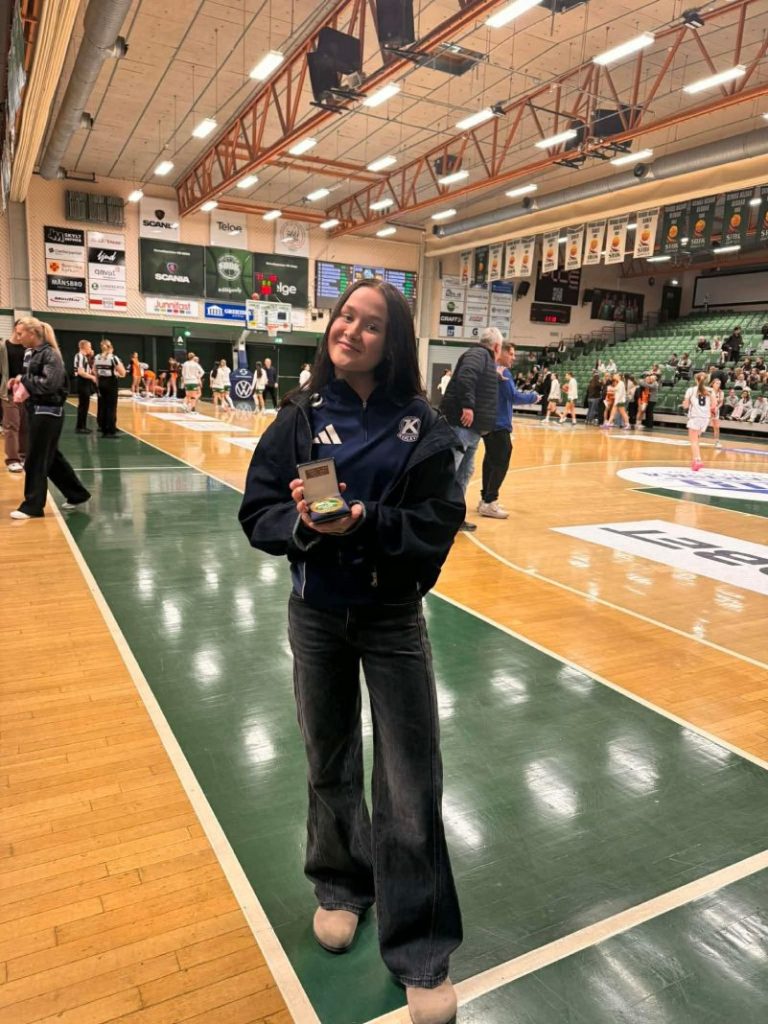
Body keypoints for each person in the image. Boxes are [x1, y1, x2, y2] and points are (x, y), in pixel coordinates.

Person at [238, 280, 464, 1024]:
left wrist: (368, 523)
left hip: (392, 619)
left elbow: (437, 524)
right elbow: (259, 510)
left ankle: (421, 948)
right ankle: (341, 886)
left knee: (410, 780)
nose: (351, 330)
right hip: (316, 616)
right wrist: (303, 527)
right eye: (345, 317)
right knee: (328, 758)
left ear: (392, 342)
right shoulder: (300, 416)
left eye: (370, 324)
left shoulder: (424, 428)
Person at [8, 318, 90, 519]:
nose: (18, 337)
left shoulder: (50, 354)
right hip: (36, 409)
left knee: (35, 458)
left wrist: (24, 379)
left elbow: (49, 384)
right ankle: (77, 494)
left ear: (32, 334)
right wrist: (19, 381)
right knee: (51, 457)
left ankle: (33, 506)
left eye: (21, 333)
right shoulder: (32, 353)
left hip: (48, 411)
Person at [439, 326, 502, 532]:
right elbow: (467, 376)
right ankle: (438, 517)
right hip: (462, 425)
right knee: (451, 471)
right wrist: (468, 405)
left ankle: (453, 517)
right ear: (496, 346)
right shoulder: (479, 354)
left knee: (464, 473)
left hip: (472, 430)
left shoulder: (483, 358)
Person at [479, 342, 540, 518]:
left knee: (490, 461)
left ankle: (485, 499)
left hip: (488, 423)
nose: (513, 358)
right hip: (499, 424)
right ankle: (490, 501)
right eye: (511, 354)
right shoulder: (503, 372)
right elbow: (513, 396)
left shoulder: (490, 370)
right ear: (502, 353)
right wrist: (533, 397)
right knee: (501, 462)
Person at [1, 320, 28, 472]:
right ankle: (12, 459)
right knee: (11, 425)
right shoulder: (3, 347)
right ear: (16, 328)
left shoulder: (28, 348)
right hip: (9, 393)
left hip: (26, 393)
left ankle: (23, 455)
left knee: (25, 425)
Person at [93, 340, 125, 437]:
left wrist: (98, 384)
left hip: (101, 382)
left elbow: (94, 371)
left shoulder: (97, 357)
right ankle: (110, 431)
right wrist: (116, 373)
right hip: (111, 383)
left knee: (103, 406)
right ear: (111, 347)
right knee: (111, 407)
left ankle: (103, 428)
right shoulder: (113, 358)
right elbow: (123, 373)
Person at [683, 372, 712, 472]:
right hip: (706, 418)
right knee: (696, 439)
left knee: (694, 441)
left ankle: (697, 460)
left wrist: (684, 403)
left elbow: (686, 406)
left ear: (696, 380)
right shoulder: (710, 390)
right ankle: (696, 459)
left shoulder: (691, 390)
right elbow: (713, 406)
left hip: (695, 417)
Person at [73, 339, 97, 434]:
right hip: (82, 381)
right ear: (85, 347)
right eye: (89, 346)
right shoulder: (80, 356)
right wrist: (92, 377)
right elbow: (81, 372)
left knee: (85, 405)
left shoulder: (85, 357)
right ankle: (80, 427)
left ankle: (82, 426)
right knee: (83, 405)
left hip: (85, 382)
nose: (91, 348)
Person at [709, 378, 723, 447]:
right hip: (707, 410)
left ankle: (717, 441)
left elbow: (721, 403)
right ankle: (695, 438)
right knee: (702, 425)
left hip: (715, 410)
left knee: (716, 426)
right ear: (713, 384)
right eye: (717, 383)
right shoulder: (709, 391)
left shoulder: (721, 392)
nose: (718, 385)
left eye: (719, 383)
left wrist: (717, 408)